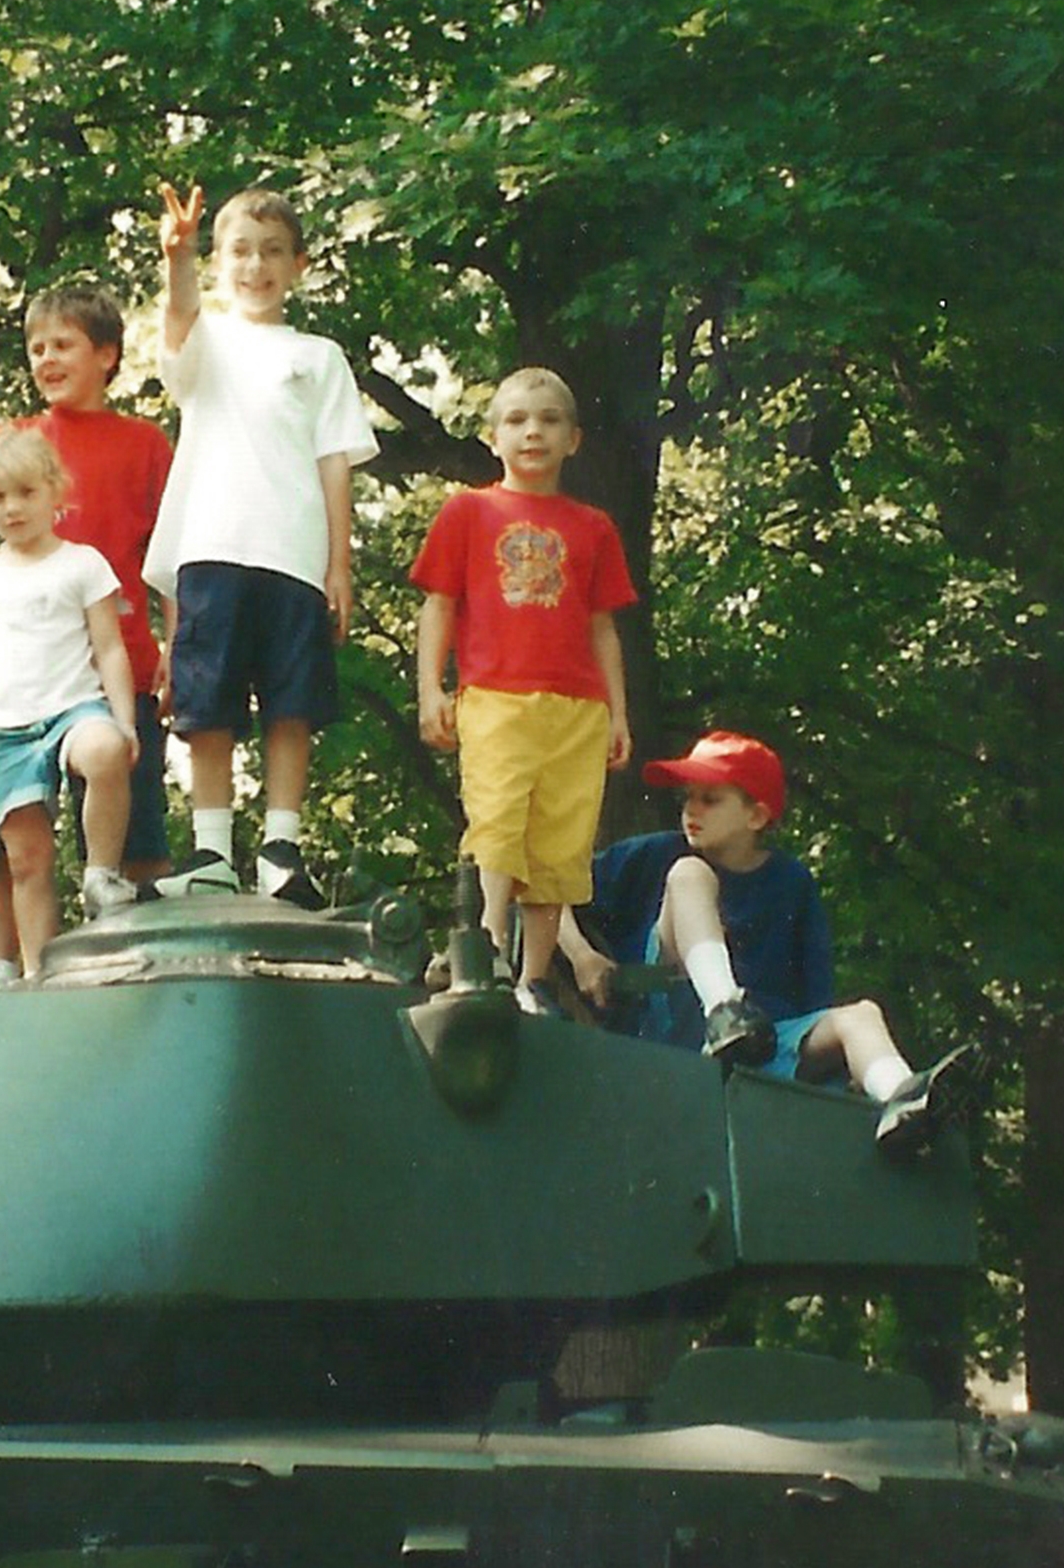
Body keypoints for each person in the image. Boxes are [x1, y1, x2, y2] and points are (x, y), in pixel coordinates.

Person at [557, 730, 984, 1158]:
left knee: (861, 1016)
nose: (691, 809)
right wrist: (581, 956)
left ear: (756, 817)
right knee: (689, 874)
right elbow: (546, 891)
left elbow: (813, 998)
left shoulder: (792, 882)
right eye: (689, 796)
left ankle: (906, 1104)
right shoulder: (655, 854)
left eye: (711, 799)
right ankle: (724, 1010)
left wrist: (834, 1067)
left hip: (760, 1047)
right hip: (666, 1029)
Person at [142, 183, 380, 909]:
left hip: (295, 555)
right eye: (240, 251)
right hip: (212, 546)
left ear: (299, 264)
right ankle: (212, 850)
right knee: (205, 701)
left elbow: (335, 459)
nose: (256, 265)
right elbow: (180, 316)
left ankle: (282, 849)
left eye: (273, 252)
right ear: (219, 261)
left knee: (292, 703)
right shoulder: (205, 340)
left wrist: (339, 562)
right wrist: (176, 258)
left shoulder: (320, 357)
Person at [0, 284, 177, 990]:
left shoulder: (145, 442)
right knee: (16, 853)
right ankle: (30, 979)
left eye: (64, 343)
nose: (47, 357)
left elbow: (170, 551)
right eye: (37, 346)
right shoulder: (13, 445)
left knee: (138, 843)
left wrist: (178, 640)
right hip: (17, 698)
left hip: (118, 677)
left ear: (106, 354)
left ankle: (145, 977)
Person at [411, 367, 636, 1011]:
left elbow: (603, 627)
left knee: (560, 847)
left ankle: (534, 978)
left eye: (549, 420)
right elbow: (439, 606)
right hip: (495, 698)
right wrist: (432, 689)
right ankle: (485, 952)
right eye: (515, 420)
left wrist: (618, 713)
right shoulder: (469, 511)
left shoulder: (593, 527)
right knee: (498, 821)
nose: (532, 431)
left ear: (574, 440)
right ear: (492, 437)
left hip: (579, 709)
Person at [0, 429, 143, 974]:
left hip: (74, 710)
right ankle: (40, 974)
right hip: (8, 730)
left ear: (55, 492)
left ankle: (103, 875)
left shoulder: (83, 564)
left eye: (25, 493)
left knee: (103, 752)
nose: (12, 508)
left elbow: (109, 648)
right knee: (26, 861)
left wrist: (124, 721)